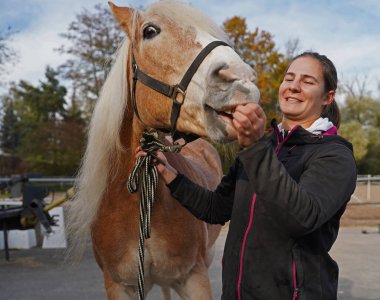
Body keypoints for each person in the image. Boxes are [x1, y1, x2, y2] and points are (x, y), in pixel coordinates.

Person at [136, 52, 357, 299]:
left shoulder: (334, 155)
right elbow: (216, 209)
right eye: (289, 78)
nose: (293, 87)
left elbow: (301, 216)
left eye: (307, 81)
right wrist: (171, 175)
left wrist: (253, 147)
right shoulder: (262, 147)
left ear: (327, 97)